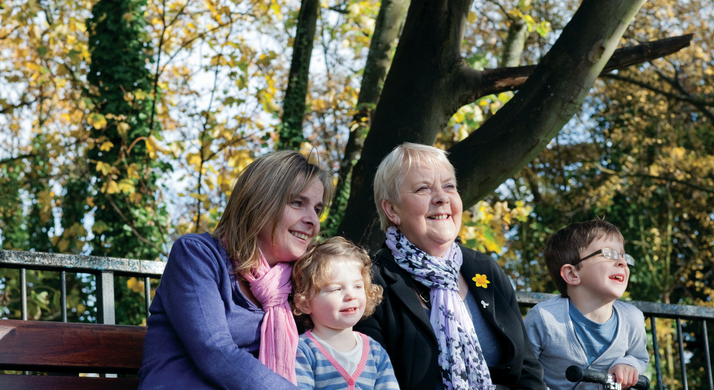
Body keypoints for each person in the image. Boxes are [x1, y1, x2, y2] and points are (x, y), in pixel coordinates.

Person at [354, 142, 546, 390]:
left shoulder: (485, 269)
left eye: (449, 186)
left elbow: (527, 370)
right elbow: (369, 380)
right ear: (392, 209)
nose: (442, 198)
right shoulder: (370, 281)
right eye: (423, 188)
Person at [139, 150, 333, 390]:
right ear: (259, 202)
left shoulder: (300, 284)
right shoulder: (197, 256)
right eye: (297, 203)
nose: (313, 220)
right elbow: (215, 353)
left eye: (317, 209)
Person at [523, 219, 649, 390]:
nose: (623, 262)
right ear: (572, 274)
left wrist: (628, 364)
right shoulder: (544, 318)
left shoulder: (632, 318)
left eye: (624, 256)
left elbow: (640, 357)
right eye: (608, 254)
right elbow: (523, 369)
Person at [291, 237, 399, 390]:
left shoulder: (376, 353)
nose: (351, 295)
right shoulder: (303, 351)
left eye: (357, 286)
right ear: (304, 302)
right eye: (336, 289)